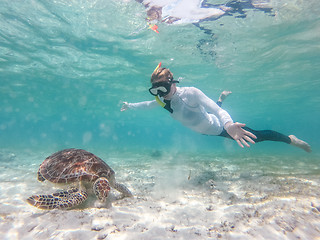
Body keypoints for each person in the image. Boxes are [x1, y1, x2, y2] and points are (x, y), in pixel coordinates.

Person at [121, 63, 311, 152]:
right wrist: (130, 106)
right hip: (205, 128)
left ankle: (290, 139)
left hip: (218, 128)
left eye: (163, 88)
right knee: (205, 113)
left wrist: (228, 125)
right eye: (157, 91)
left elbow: (218, 112)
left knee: (257, 137)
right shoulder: (163, 100)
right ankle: (221, 97)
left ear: (173, 83)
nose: (161, 94)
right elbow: (148, 104)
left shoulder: (192, 93)